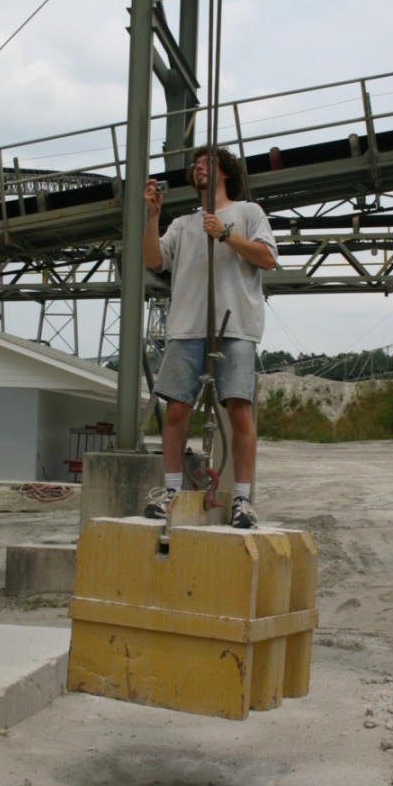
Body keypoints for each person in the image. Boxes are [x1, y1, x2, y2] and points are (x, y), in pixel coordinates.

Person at [142, 145, 278, 528]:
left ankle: (241, 500)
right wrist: (152, 217)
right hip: (188, 324)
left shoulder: (248, 213)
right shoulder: (184, 225)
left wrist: (225, 234)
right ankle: (169, 491)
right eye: (196, 164)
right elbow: (154, 260)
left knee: (239, 410)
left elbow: (267, 258)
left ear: (225, 172)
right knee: (176, 409)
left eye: (207, 163)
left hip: (234, 325)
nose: (199, 167)